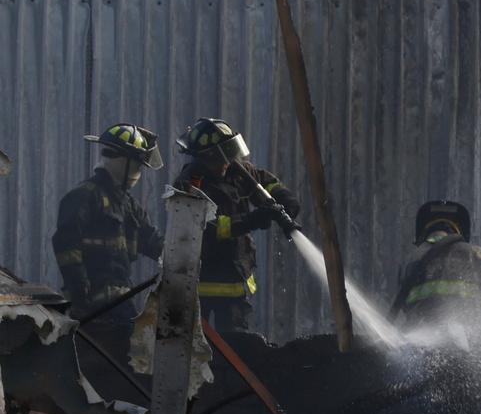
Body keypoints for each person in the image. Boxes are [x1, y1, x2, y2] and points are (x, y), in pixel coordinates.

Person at [174, 118, 300, 332]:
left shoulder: (237, 171)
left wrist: (284, 199)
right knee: (196, 345)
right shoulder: (191, 183)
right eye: (225, 153)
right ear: (209, 156)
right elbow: (204, 228)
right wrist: (251, 220)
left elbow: (264, 181)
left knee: (235, 345)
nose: (230, 159)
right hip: (201, 286)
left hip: (235, 281)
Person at [52, 124, 164, 357]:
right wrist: (81, 294)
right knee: (104, 359)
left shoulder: (128, 205)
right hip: (91, 303)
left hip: (120, 299)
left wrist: (183, 255)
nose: (138, 172)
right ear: (123, 163)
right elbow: (66, 247)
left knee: (130, 355)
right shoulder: (84, 196)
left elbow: (152, 241)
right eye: (137, 165)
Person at [390, 200, 481, 340]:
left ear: (423, 232)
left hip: (421, 337)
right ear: (459, 230)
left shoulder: (412, 259)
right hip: (468, 338)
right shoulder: (475, 253)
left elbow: (401, 304)